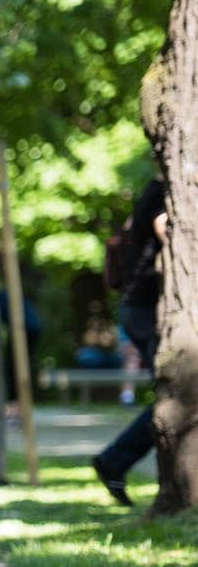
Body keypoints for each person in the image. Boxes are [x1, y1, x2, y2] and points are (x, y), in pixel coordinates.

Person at [93, 177, 168, 506]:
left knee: (176, 392)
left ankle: (115, 459)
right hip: (144, 309)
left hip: (142, 307)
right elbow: (164, 228)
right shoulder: (160, 192)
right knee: (178, 392)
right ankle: (115, 459)